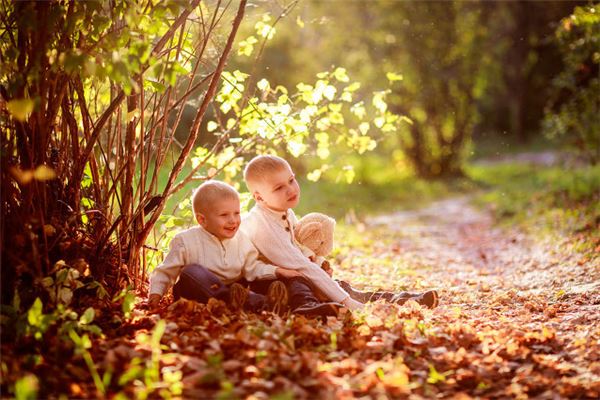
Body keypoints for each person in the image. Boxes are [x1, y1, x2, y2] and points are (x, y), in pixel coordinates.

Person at [241, 155, 439, 310]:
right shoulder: (262, 226)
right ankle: (333, 307)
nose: (290, 189)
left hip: (293, 275)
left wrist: (318, 262)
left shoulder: (282, 211)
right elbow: (300, 266)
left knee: (343, 287)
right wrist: (348, 303)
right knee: (329, 291)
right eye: (279, 188)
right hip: (268, 284)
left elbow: (298, 249)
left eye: (291, 180)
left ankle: (405, 301)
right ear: (259, 197)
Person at [148, 180, 340, 317]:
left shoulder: (242, 239)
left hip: (238, 287)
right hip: (201, 291)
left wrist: (279, 271)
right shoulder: (185, 241)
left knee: (286, 275)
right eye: (224, 215)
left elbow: (252, 268)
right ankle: (254, 302)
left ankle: (300, 304)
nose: (233, 220)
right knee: (191, 273)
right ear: (202, 219)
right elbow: (166, 271)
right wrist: (155, 295)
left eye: (237, 213)